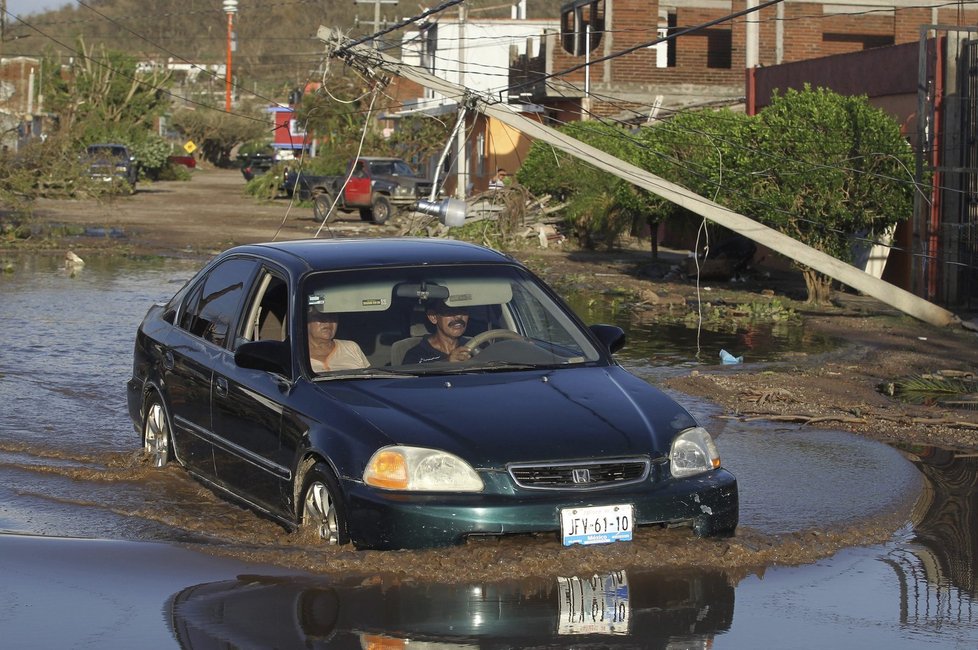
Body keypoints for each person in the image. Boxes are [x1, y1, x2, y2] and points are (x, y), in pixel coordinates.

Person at [402, 301, 472, 364]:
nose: (459, 317)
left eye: (463, 310)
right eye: (450, 310)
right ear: (433, 317)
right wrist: (446, 363)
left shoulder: (477, 348)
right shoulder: (416, 356)